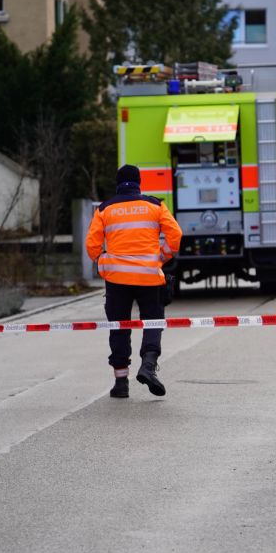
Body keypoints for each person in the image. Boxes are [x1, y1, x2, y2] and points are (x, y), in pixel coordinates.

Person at [86, 164, 183, 399]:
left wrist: (102, 262)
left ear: (117, 183)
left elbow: (92, 245)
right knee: (152, 322)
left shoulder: (105, 209)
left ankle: (121, 383)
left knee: (119, 327)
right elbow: (175, 236)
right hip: (149, 276)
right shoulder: (155, 205)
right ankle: (148, 365)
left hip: (117, 278)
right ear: (139, 182)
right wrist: (161, 256)